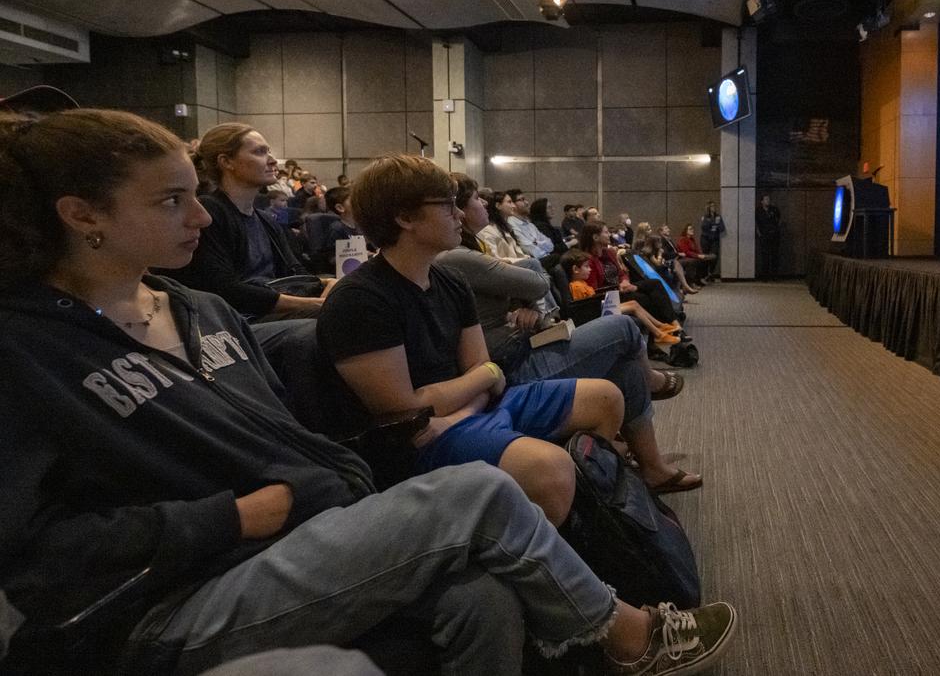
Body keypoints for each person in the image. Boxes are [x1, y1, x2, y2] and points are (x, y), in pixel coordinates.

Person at [0, 108, 737, 676]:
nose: (199, 218)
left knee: (481, 597)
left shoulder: (202, 312)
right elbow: (36, 557)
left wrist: (340, 490)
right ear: (82, 214)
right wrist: (231, 517)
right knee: (475, 493)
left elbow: (298, 443)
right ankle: (629, 637)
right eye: (171, 200)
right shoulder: (25, 349)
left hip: (287, 536)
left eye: (196, 197)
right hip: (160, 600)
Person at [317, 156, 699, 528]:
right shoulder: (360, 299)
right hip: (414, 447)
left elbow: (489, 372)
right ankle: (543, 546)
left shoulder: (449, 282)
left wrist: (459, 406)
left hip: (459, 416)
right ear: (404, 217)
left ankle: (573, 516)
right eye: (447, 206)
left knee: (606, 398)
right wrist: (475, 384)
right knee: (550, 469)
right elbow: (404, 413)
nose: (461, 215)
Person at [437, 177, 693, 483]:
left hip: (519, 348)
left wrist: (516, 296)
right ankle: (652, 382)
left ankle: (653, 468)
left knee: (625, 369)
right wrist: (517, 290)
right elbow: (537, 278)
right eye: (476, 199)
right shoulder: (455, 257)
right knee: (624, 326)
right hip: (513, 366)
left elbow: (530, 273)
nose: (481, 206)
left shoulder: (467, 251)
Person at [166, 122, 332, 320]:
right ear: (226, 162)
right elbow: (225, 290)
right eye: (260, 152)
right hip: (239, 321)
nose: (272, 161)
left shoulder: (265, 220)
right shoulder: (209, 213)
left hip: (273, 312)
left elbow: (295, 271)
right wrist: (316, 303)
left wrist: (327, 284)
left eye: (269, 152)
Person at [562, 250, 682, 345]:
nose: (590, 269)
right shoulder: (577, 286)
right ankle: (659, 334)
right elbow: (583, 307)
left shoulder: (582, 283)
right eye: (586, 266)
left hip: (599, 308)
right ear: (575, 269)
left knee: (634, 303)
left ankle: (661, 327)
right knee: (634, 306)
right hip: (596, 313)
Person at [582, 223, 679, 326]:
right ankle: (670, 329)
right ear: (595, 237)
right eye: (606, 232)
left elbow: (622, 273)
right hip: (611, 296)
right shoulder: (588, 260)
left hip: (623, 287)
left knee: (655, 283)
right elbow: (595, 290)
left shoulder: (609, 252)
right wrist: (619, 287)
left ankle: (674, 324)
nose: (609, 234)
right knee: (647, 298)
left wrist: (625, 281)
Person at [477, 189, 528, 262]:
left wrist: (525, 258)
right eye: (509, 202)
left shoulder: (506, 227)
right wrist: (521, 260)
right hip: (504, 268)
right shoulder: (488, 230)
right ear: (498, 205)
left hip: (514, 265)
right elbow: (492, 258)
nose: (513, 206)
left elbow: (518, 253)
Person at [505, 188, 556, 260]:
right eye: (521, 200)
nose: (527, 202)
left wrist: (535, 243)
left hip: (547, 258)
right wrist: (541, 244)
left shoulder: (530, 225)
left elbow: (551, 246)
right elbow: (532, 252)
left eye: (525, 199)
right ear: (512, 204)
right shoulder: (511, 224)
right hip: (534, 262)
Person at [756, 194, 783, 280]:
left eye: (768, 199)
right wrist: (759, 234)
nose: (768, 201)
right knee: (765, 256)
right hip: (764, 235)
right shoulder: (758, 210)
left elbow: (779, 220)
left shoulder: (774, 209)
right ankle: (765, 276)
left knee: (775, 255)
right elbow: (756, 223)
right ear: (762, 201)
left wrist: (777, 229)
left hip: (774, 235)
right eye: (766, 199)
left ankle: (774, 275)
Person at [699, 201, 725, 281]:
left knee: (714, 257)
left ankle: (711, 273)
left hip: (715, 239)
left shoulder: (718, 216)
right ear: (708, 208)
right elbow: (704, 228)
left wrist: (714, 225)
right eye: (711, 206)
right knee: (706, 257)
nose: (713, 208)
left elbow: (722, 228)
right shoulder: (704, 217)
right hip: (705, 239)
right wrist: (714, 224)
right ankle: (705, 274)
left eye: (714, 206)